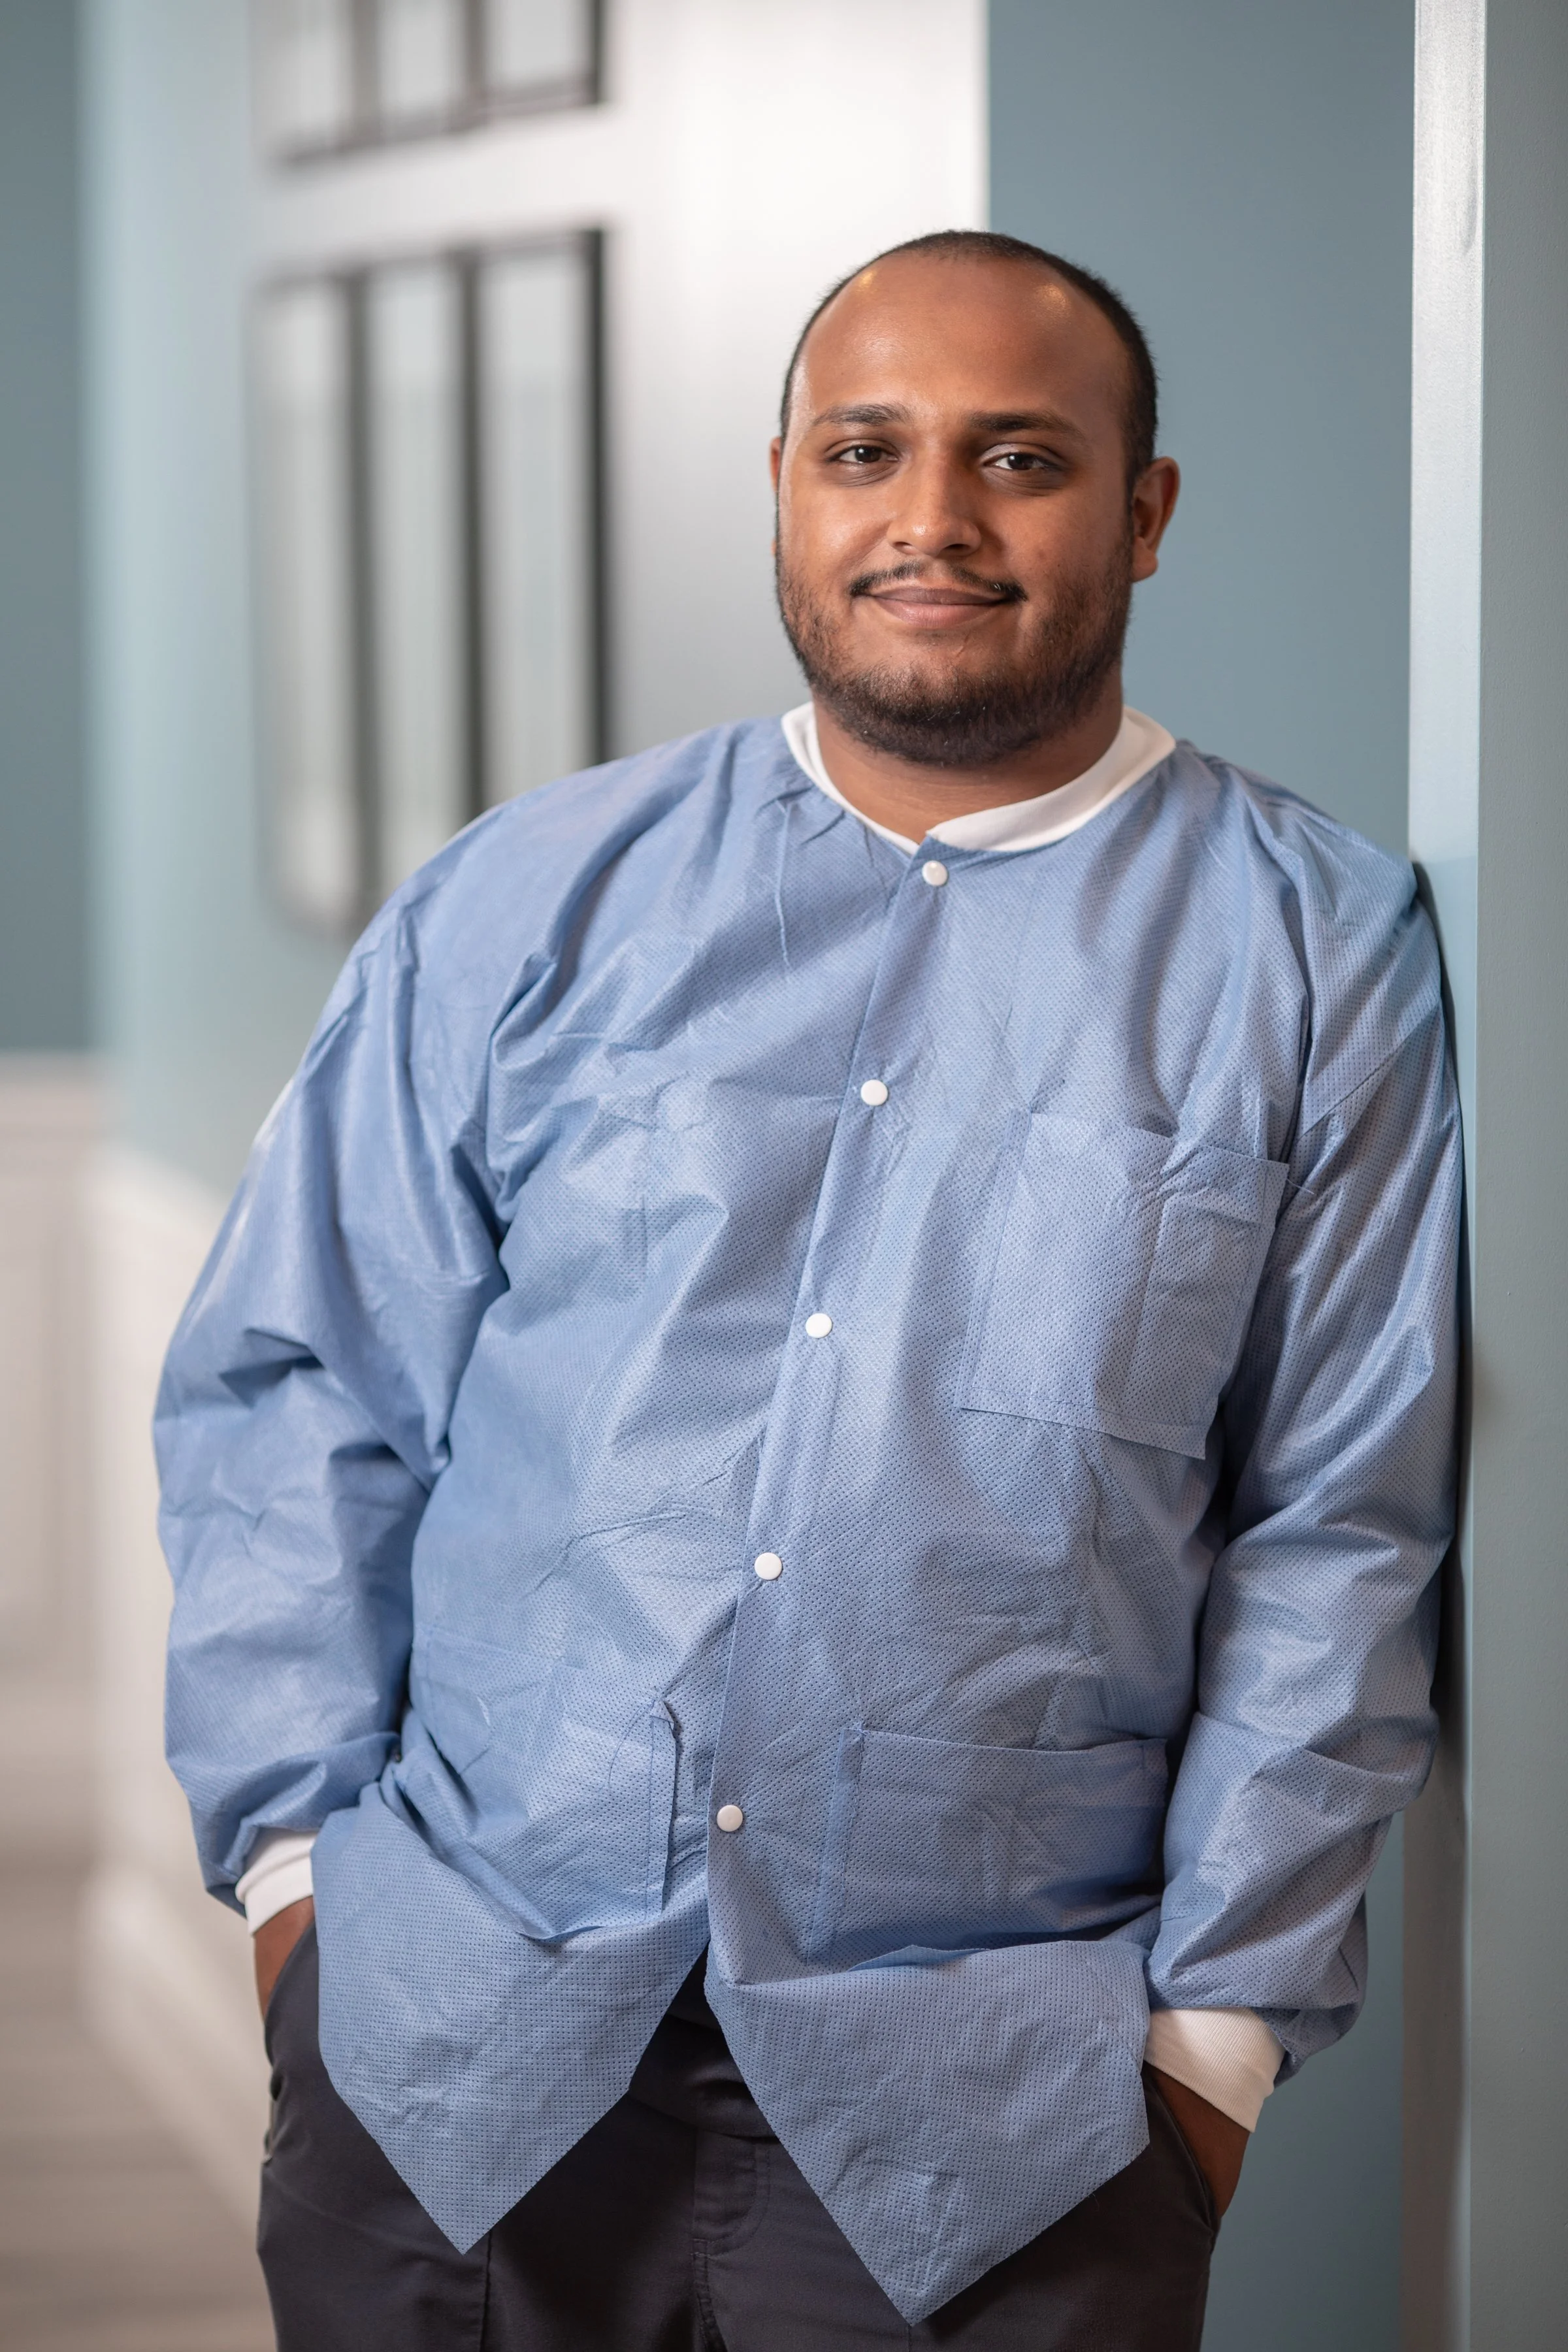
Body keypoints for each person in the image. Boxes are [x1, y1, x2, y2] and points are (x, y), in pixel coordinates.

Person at [157, 230, 1460, 2350]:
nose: (931, 520)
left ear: (1144, 511)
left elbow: (1346, 1520)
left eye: (1020, 458)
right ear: (786, 485)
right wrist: (301, 1889)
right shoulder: (526, 897)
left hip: (1003, 2120)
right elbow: (300, 1386)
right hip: (454, 2048)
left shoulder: (1315, 950)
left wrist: (1212, 2048)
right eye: (869, 451)